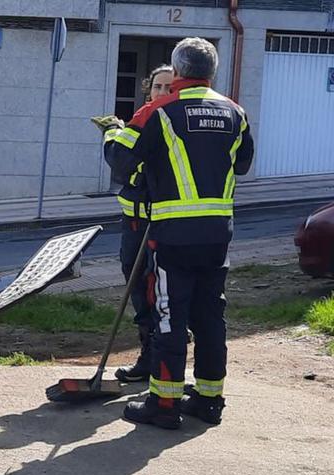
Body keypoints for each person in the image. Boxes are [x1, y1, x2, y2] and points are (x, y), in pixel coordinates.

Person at [102, 38, 254, 429]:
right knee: (210, 317)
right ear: (212, 71)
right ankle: (208, 399)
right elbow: (243, 165)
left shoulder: (160, 110)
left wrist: (110, 134)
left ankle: (164, 406)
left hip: (173, 235)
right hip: (218, 234)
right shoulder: (235, 111)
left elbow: (121, 159)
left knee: (169, 315)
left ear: (178, 71)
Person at [111, 65, 174, 384]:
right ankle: (149, 353)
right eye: (158, 87)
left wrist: (111, 137)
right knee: (137, 286)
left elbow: (125, 167)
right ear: (148, 89)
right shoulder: (143, 118)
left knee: (156, 289)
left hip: (159, 222)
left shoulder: (170, 123)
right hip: (133, 223)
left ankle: (156, 357)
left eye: (169, 87)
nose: (163, 93)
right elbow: (127, 172)